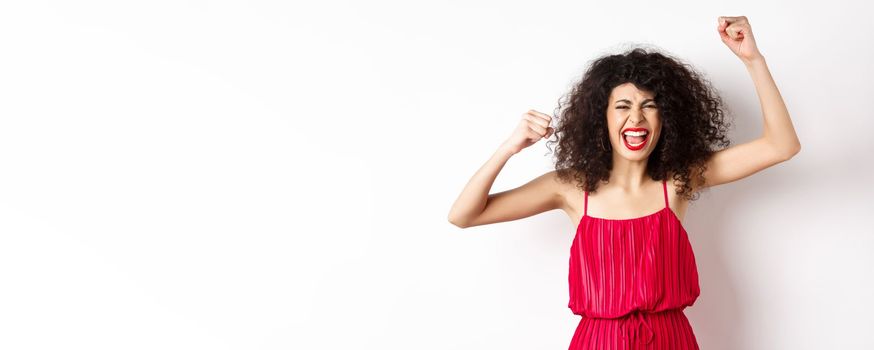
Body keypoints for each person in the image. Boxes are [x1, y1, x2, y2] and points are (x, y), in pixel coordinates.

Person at [447, 16, 801, 349]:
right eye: (622, 106)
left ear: (666, 118)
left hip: (670, 340)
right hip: (599, 341)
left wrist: (753, 60)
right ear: (601, 117)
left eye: (649, 105)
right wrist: (508, 148)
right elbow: (463, 215)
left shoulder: (679, 180)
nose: (636, 118)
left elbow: (781, 145)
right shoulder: (569, 187)